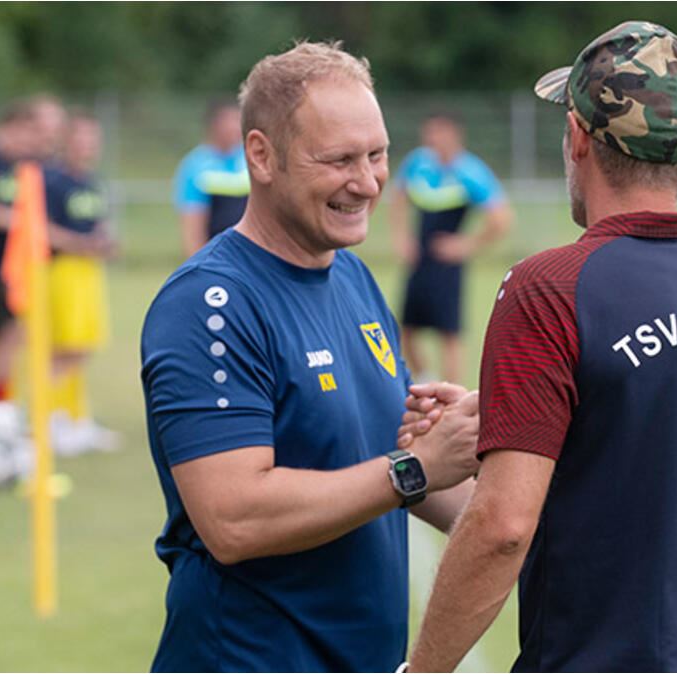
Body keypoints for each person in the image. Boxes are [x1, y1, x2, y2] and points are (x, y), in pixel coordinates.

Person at [405, 21, 677, 672]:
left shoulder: (547, 288)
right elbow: (649, 469)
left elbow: (505, 528)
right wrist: (515, 422)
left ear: (578, 138)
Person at [141, 42, 481, 672]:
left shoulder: (353, 279)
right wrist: (412, 468)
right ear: (261, 156)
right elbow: (234, 518)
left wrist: (482, 453)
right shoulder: (210, 304)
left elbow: (396, 460)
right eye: (339, 159)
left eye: (377, 155)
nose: (368, 180)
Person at [0, 100, 104, 404]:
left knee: (11, 339)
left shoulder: (27, 163)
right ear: (12, 127)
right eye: (33, 133)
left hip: (12, 266)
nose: (36, 142)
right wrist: (16, 222)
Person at [390, 112, 511, 385]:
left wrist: (466, 245)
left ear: (454, 135)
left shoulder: (470, 171)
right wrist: (402, 237)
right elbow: (397, 197)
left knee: (449, 334)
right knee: (405, 331)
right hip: (418, 261)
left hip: (448, 266)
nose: (432, 140)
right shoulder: (417, 163)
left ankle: (451, 396)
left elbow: (501, 219)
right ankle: (426, 380)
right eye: (429, 134)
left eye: (439, 133)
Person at [44, 111, 118, 454]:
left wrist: (103, 242)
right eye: (81, 138)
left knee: (82, 348)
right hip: (62, 271)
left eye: (93, 139)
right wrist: (79, 244)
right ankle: (50, 419)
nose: (88, 146)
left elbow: (96, 222)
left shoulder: (91, 181)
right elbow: (43, 227)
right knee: (63, 349)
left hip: (88, 271)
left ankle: (77, 419)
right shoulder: (52, 180)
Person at [172, 99, 249, 257]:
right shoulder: (195, 166)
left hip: (252, 255)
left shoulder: (251, 159)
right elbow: (192, 223)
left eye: (238, 120)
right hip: (218, 256)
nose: (236, 127)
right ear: (214, 125)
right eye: (230, 120)